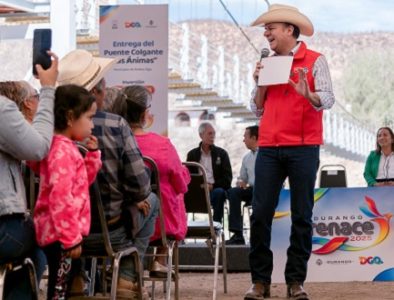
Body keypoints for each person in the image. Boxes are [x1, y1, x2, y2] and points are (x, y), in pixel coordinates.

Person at [245, 4, 335, 300]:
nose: (266, 32)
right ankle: (260, 282)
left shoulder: (315, 60)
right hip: (269, 147)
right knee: (259, 216)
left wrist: (307, 94)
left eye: (272, 27)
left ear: (289, 30)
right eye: (265, 28)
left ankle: (295, 282)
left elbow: (328, 98)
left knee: (302, 216)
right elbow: (257, 108)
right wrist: (258, 83)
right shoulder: (267, 62)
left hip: (304, 147)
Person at [57, 49, 159, 299]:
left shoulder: (52, 128)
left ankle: (77, 277)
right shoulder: (116, 125)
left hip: (63, 234)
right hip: (110, 232)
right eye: (102, 90)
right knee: (152, 201)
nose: (105, 95)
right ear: (92, 94)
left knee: (76, 204)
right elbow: (139, 184)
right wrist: (140, 196)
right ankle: (126, 276)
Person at [28, 84, 102, 299]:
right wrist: (70, 237)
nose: (92, 124)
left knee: (63, 287)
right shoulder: (62, 151)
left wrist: (92, 156)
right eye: (89, 117)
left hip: (60, 232)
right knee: (59, 290)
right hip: (61, 235)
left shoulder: (61, 147)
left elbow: (79, 184)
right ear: (70, 117)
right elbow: (60, 197)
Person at [110, 85, 191, 277]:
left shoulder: (112, 141)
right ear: (145, 114)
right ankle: (160, 259)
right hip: (161, 224)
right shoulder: (162, 144)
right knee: (172, 195)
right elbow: (181, 185)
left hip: (118, 217)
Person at [0, 52, 58, 299]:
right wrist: (47, 89)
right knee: (50, 234)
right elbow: (37, 148)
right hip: (4, 229)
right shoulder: (2, 110)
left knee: (31, 254)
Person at [187, 122, 232, 223]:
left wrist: (212, 186)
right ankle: (182, 230)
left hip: (215, 191)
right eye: (209, 134)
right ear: (201, 135)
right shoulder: (192, 155)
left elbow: (227, 179)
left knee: (220, 192)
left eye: (214, 134)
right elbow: (187, 177)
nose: (212, 136)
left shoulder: (222, 154)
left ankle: (216, 226)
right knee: (180, 194)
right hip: (197, 192)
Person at [226, 125, 259, 245]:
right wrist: (240, 182)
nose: (243, 140)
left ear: (254, 138)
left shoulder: (267, 155)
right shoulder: (246, 158)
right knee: (233, 192)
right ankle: (237, 234)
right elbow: (242, 178)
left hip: (266, 190)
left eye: (245, 136)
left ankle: (257, 235)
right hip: (251, 189)